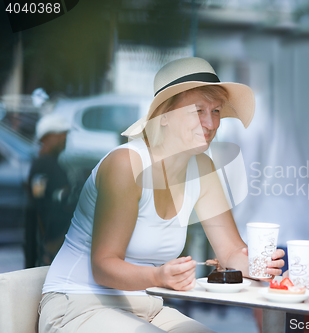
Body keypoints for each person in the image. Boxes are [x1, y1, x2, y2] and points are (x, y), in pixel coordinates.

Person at [39, 57, 285, 333]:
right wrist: (158, 276)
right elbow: (103, 266)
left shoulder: (203, 168)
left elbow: (229, 252)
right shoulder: (127, 165)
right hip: (77, 304)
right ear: (163, 116)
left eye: (216, 111)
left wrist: (257, 263)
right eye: (198, 110)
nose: (210, 122)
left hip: (144, 307)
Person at [24, 113, 75, 267]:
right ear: (46, 138)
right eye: (60, 135)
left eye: (65, 135)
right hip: (48, 247)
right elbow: (38, 205)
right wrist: (46, 247)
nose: (65, 139)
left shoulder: (53, 164)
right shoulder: (42, 166)